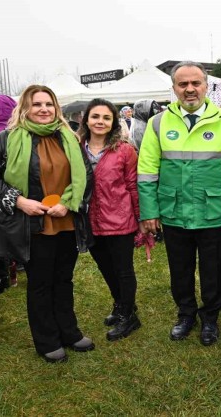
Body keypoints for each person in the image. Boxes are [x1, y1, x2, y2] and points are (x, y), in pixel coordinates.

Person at [138, 61, 221, 346]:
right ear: (174, 87)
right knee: (180, 269)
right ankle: (186, 313)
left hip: (214, 212)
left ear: (206, 86)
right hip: (174, 212)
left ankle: (210, 318)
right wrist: (149, 212)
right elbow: (147, 172)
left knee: (213, 270)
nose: (190, 89)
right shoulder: (158, 123)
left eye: (195, 83)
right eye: (183, 84)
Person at [0, 84, 94, 363]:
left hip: (65, 220)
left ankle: (69, 331)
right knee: (41, 283)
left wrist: (67, 203)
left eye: (49, 104)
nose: (44, 109)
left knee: (63, 280)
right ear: (25, 108)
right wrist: (19, 202)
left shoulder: (69, 138)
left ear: (56, 108)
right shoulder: (5, 140)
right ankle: (46, 340)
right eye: (37, 104)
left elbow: (87, 176)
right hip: (30, 224)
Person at [78, 98, 142, 341]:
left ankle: (129, 315)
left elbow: (133, 186)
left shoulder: (124, 150)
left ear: (114, 121)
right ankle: (121, 304)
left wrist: (141, 219)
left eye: (106, 117)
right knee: (105, 267)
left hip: (120, 219)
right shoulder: (76, 147)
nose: (100, 122)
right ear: (86, 119)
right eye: (95, 117)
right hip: (89, 220)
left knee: (123, 270)